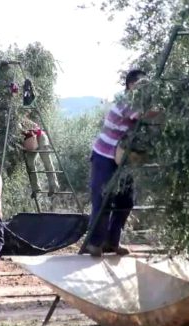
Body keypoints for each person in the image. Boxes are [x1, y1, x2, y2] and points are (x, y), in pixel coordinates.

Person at [83, 69, 146, 258]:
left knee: (126, 201)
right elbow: (143, 116)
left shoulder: (138, 103)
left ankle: (112, 241)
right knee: (102, 198)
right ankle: (95, 243)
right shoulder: (126, 101)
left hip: (121, 158)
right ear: (130, 85)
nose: (143, 88)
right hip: (104, 155)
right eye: (140, 84)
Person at [20, 113, 59, 197]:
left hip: (40, 137)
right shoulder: (14, 127)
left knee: (46, 161)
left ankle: (53, 186)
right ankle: (36, 188)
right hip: (30, 142)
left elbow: (34, 128)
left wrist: (27, 130)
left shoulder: (24, 121)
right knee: (30, 163)